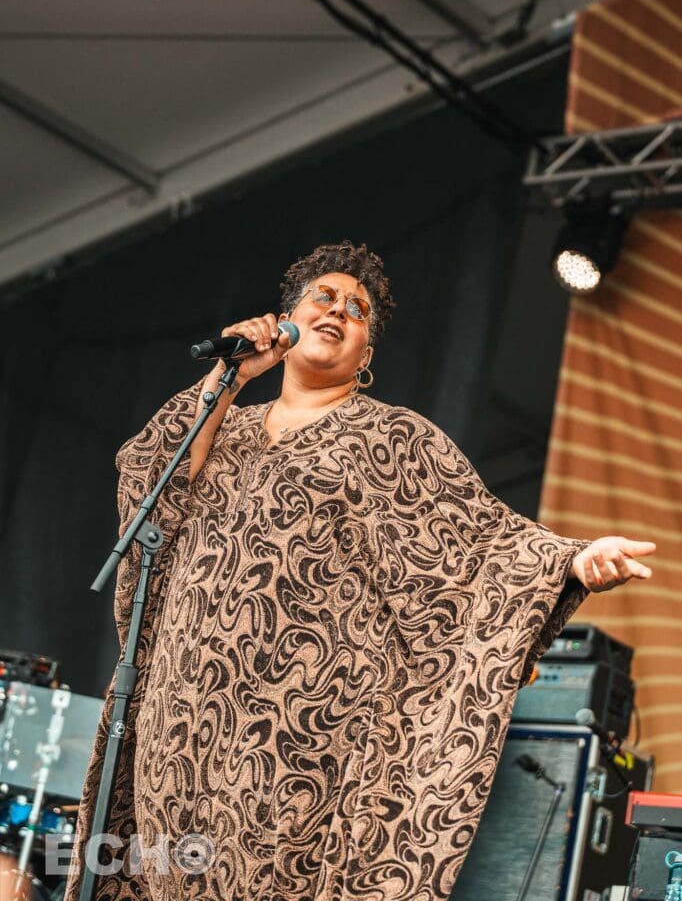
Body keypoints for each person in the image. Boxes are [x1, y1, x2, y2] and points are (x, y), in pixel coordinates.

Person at [65, 241, 655, 901]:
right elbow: (151, 482)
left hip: (292, 741)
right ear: (283, 320)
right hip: (177, 724)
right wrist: (227, 381)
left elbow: (483, 543)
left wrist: (572, 558)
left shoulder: (393, 441)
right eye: (324, 298)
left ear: (365, 356)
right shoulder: (224, 425)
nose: (340, 311)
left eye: (358, 311)